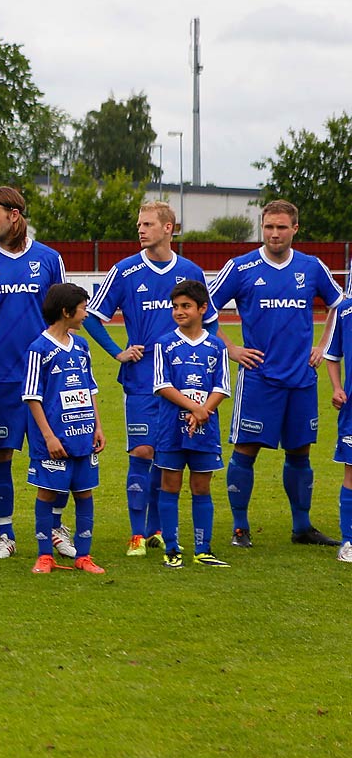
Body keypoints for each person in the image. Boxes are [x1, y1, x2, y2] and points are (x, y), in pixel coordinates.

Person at [205, 199, 342, 548]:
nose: (275, 233)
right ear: (261, 227)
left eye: (282, 227)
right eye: (269, 227)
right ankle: (240, 528)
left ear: (295, 229)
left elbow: (341, 307)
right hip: (259, 379)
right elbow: (204, 309)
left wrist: (324, 346)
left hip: (301, 379)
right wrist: (231, 349)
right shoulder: (240, 267)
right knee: (246, 450)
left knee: (300, 452)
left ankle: (302, 527)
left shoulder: (312, 268)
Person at [82, 201, 214, 557]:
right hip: (141, 380)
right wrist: (117, 351)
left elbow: (210, 321)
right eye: (139, 224)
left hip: (182, 384)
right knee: (141, 451)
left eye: (148, 224)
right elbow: (93, 316)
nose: (140, 230)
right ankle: (136, 534)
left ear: (168, 227)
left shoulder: (190, 272)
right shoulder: (124, 271)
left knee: (165, 455)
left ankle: (158, 529)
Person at [0, 186, 69, 560]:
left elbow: (64, 317)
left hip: (47, 376)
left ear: (14, 216)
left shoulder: (50, 259)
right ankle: (5, 534)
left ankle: (54, 527)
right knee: (0, 453)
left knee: (54, 452)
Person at [22, 284, 108, 575]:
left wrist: (98, 426)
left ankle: (84, 556)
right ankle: (44, 556)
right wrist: (48, 436)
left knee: (84, 494)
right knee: (47, 494)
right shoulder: (39, 349)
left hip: (83, 434)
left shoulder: (82, 347)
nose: (86, 314)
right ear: (66, 311)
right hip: (53, 438)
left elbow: (90, 388)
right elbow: (32, 396)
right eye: (83, 308)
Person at [150, 280, 232, 568]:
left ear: (202, 308)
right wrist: (195, 408)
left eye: (186, 306)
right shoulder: (164, 343)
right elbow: (161, 385)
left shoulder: (217, 345)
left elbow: (222, 386)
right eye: (175, 307)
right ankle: (172, 548)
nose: (179, 311)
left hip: (205, 429)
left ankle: (203, 548)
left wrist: (203, 411)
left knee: (201, 487)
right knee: (170, 485)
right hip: (171, 428)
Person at [317, 285, 352, 564]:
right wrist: (337, 388)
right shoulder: (345, 310)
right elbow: (332, 355)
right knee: (351, 473)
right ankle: (348, 541)